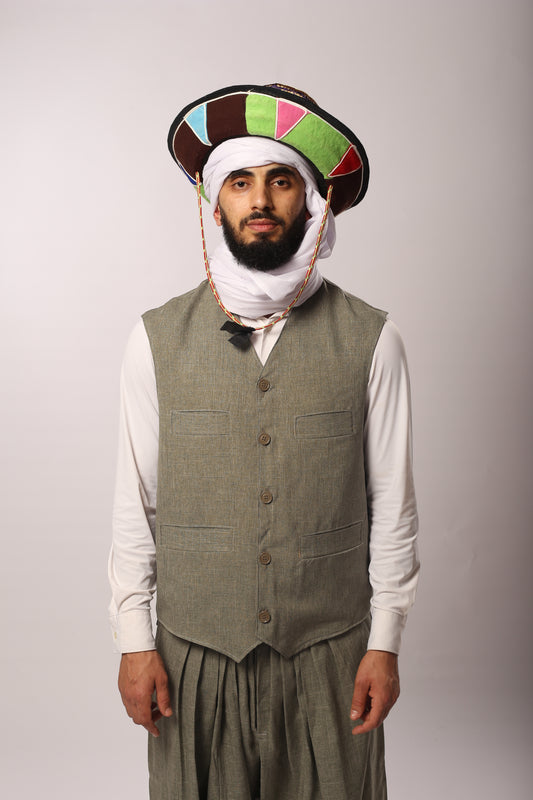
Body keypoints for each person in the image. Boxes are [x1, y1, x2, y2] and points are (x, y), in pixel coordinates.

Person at [109, 83, 419, 800]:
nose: (259, 200)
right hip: (193, 656)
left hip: (330, 655)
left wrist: (384, 642)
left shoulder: (374, 339)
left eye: (281, 181)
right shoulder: (155, 339)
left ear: (311, 202)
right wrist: (133, 641)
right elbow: (137, 502)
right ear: (214, 204)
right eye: (239, 182)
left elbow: (393, 506)